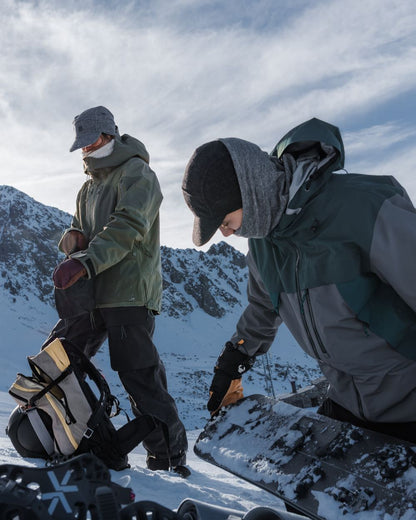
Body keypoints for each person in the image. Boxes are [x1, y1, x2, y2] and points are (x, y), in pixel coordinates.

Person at [182, 117, 416, 443]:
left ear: (252, 195)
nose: (225, 232)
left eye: (225, 220)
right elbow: (264, 308)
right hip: (349, 402)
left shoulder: (365, 208)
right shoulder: (264, 245)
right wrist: (235, 358)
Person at [45, 106, 189, 476]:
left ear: (108, 136)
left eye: (89, 142)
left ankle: (168, 460)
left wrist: (85, 261)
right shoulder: (88, 187)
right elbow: (78, 228)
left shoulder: (138, 174)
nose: (84, 150)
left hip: (128, 292)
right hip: (91, 293)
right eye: (81, 145)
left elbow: (128, 227)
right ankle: (76, 441)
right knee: (61, 361)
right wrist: (71, 241)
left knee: (139, 376)